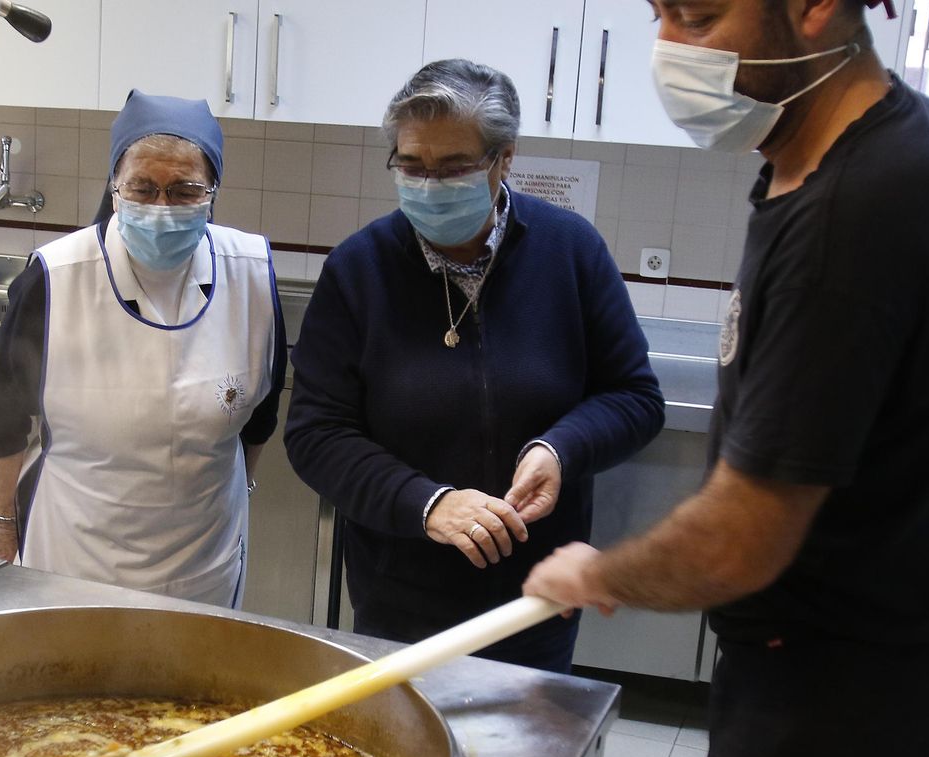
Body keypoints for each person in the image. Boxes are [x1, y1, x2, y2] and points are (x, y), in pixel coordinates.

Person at [524, 1, 929, 757]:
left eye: (701, 15)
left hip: (845, 700)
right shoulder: (873, 146)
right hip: (845, 679)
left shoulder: (857, 207)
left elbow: (743, 537)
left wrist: (597, 574)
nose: (668, 48)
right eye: (659, 13)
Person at [284, 59, 664, 674]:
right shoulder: (359, 269)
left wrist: (559, 449)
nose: (429, 185)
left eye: (454, 167)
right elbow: (315, 434)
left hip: (533, 602)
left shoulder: (570, 251)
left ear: (504, 158)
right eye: (411, 166)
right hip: (400, 603)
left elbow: (635, 398)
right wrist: (429, 503)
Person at [0, 90, 285, 608]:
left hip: (203, 562)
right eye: (143, 187)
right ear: (115, 189)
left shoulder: (251, 272)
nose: (161, 206)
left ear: (213, 192)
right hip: (73, 559)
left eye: (185, 190)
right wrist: (2, 524)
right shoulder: (56, 278)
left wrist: (238, 495)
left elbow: (261, 416)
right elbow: (0, 417)